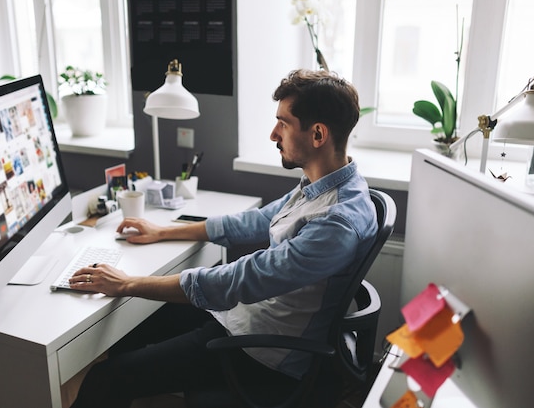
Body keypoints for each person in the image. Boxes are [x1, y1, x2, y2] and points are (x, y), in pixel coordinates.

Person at [68, 69, 378, 408]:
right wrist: (164, 232)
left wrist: (129, 284)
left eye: (284, 124)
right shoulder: (327, 184)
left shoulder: (336, 221)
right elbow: (257, 221)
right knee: (133, 327)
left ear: (318, 134)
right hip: (244, 318)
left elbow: (240, 279)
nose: (274, 134)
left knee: (104, 378)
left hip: (261, 353)